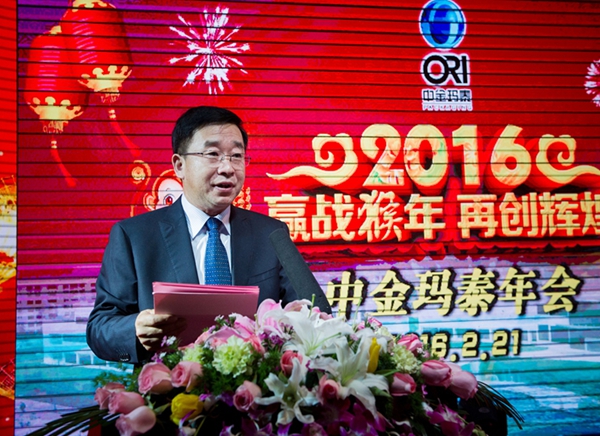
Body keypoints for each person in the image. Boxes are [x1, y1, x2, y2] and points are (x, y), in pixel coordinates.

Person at [86, 106, 299, 364]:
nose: (228, 168)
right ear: (179, 165)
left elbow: (311, 312)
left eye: (236, 156)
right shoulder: (134, 237)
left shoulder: (271, 234)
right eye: (213, 154)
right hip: (171, 385)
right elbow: (100, 327)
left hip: (256, 385)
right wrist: (135, 329)